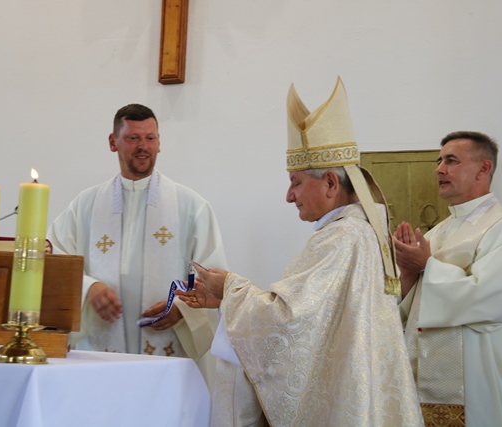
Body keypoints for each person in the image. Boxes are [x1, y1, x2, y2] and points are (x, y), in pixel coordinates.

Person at [177, 77, 423, 427]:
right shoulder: (361, 232)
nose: (289, 196)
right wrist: (227, 296)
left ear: (331, 183)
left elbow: (288, 323)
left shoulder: (341, 238)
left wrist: (230, 288)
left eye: (296, 182)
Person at [47, 104, 227, 386]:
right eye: (133, 138)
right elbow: (55, 259)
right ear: (113, 142)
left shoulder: (191, 206)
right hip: (99, 350)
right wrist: (88, 288)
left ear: (159, 144)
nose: (143, 146)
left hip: (167, 349)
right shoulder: (86, 205)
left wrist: (182, 309)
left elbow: (212, 274)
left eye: (150, 138)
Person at [394, 131, 502, 427]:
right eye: (439, 161)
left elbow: (493, 299)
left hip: (477, 379)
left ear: (484, 168)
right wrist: (408, 273)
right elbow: (415, 306)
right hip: (425, 369)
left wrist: (427, 266)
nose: (439, 169)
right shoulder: (439, 231)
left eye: (451, 161)